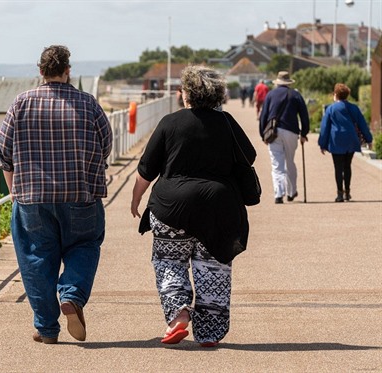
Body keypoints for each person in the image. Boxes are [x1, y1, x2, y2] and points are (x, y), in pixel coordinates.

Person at [130, 65, 257, 347]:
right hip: (218, 209)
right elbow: (249, 156)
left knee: (169, 262)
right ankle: (210, 333)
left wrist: (136, 198)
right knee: (213, 268)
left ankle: (179, 316)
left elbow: (146, 169)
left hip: (171, 207)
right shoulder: (226, 122)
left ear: (186, 94)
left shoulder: (169, 122)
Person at [0, 45, 113, 344]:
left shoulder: (21, 103)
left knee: (36, 258)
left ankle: (47, 329)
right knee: (85, 245)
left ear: (40, 71)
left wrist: (13, 190)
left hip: (32, 197)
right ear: (67, 71)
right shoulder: (88, 103)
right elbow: (106, 144)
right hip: (81, 194)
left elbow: (4, 152)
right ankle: (72, 295)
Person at [259, 71, 309, 204]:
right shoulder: (296, 95)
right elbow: (304, 116)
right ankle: (291, 192)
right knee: (290, 161)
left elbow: (263, 116)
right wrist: (304, 133)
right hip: (291, 132)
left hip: (274, 132)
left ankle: (279, 193)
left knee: (277, 164)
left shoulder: (270, 95)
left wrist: (263, 134)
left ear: (278, 82)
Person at [318, 83, 373, 202]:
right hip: (351, 139)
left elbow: (325, 127)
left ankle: (339, 194)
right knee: (347, 166)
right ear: (347, 95)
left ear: (336, 95)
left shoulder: (331, 109)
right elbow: (362, 124)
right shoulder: (354, 108)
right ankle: (347, 192)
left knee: (338, 168)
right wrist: (369, 139)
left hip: (336, 140)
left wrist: (322, 143)